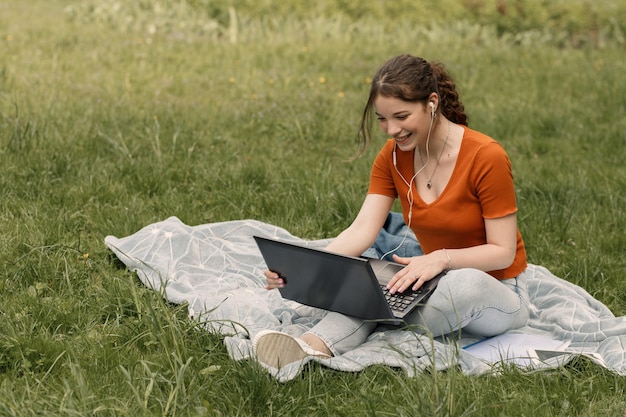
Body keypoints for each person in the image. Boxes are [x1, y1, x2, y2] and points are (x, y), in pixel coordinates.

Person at [252, 54, 531, 369]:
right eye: (382, 118)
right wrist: (308, 270)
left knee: (460, 284)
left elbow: (503, 252)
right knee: (364, 279)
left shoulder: (486, 156)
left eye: (401, 116)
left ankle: (362, 326)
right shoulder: (393, 157)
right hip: (427, 279)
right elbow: (362, 231)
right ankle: (310, 347)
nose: (390, 129)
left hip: (496, 289)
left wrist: (441, 258)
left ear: (432, 103)